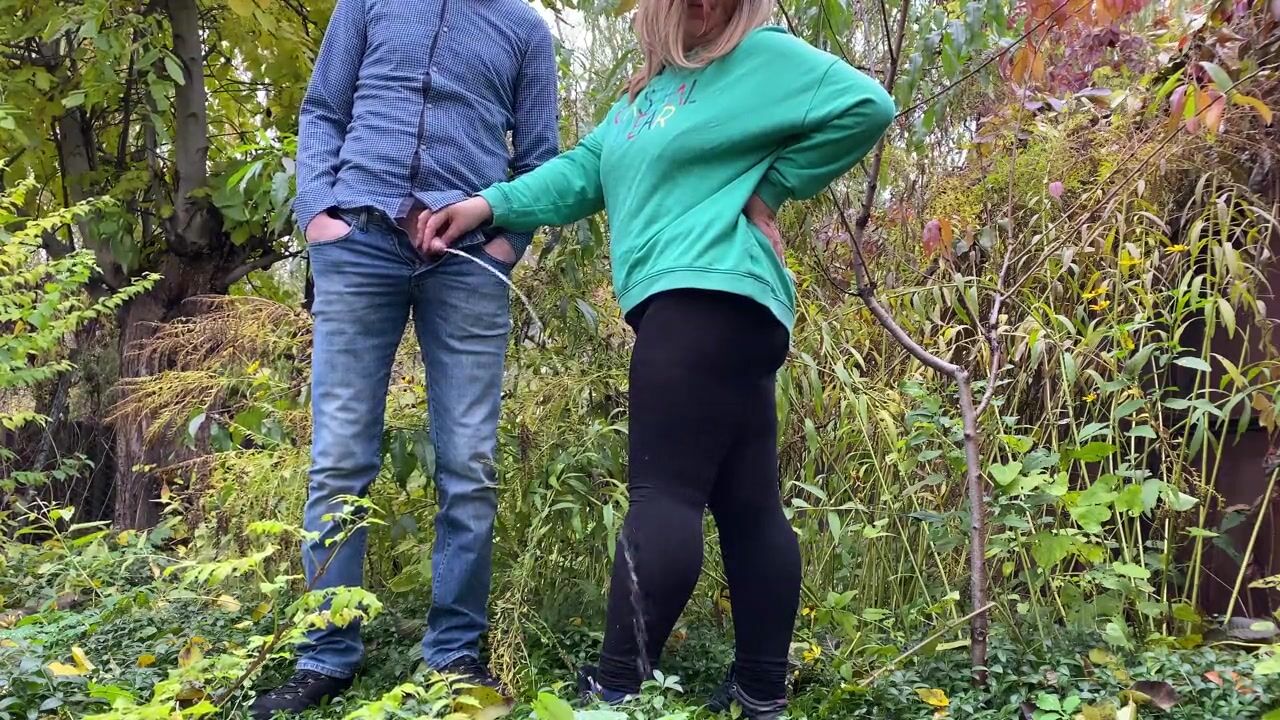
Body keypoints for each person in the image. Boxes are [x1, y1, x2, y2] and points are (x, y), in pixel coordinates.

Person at [419, 0, 895, 716]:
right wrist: (488, 205)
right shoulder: (648, 95)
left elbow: (867, 105)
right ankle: (760, 691)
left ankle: (617, 688)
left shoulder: (760, 56)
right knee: (748, 504)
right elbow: (583, 171)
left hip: (701, 297)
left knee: (664, 495)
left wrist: (769, 191)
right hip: (729, 312)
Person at [249, 0, 558, 717]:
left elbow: (539, 158)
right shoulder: (366, 3)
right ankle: (325, 654)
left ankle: (453, 653)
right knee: (338, 457)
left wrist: (508, 243)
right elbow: (323, 110)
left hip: (470, 262)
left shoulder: (525, 30)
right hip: (358, 244)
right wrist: (316, 213)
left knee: (470, 463)